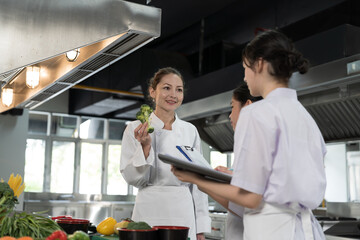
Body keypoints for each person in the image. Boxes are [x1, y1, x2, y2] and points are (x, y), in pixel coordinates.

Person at [172, 29, 327, 240]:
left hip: (272, 232)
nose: (245, 76)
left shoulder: (256, 113)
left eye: (245, 68)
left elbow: (251, 197)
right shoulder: (305, 117)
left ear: (260, 64)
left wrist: (194, 178)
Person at [120, 67, 211, 240]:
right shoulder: (135, 128)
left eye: (179, 90)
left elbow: (199, 182)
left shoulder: (190, 131)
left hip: (183, 211)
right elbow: (132, 179)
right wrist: (145, 147)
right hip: (148, 208)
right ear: (152, 91)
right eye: (166, 88)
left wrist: (201, 228)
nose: (173, 95)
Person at [214, 83, 261, 240]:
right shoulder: (248, 142)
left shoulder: (256, 143)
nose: (230, 115)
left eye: (232, 107)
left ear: (247, 106)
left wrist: (200, 181)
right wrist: (232, 174)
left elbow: (245, 204)